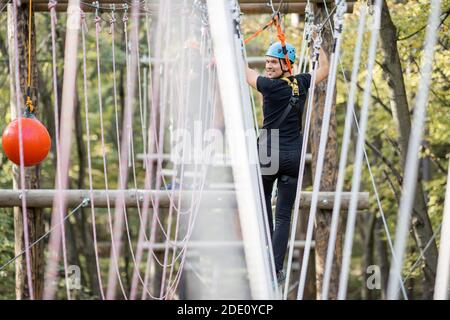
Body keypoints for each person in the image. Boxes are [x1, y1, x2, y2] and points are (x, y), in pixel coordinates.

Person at [246, 38, 329, 284]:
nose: (268, 66)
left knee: (263, 209)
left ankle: (265, 260)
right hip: (293, 155)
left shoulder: (268, 86)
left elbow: (244, 72)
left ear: (286, 64)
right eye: (267, 61)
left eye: (273, 62)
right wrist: (319, 42)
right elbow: (325, 68)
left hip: (269, 151)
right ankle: (276, 268)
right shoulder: (301, 82)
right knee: (283, 216)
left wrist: (234, 38)